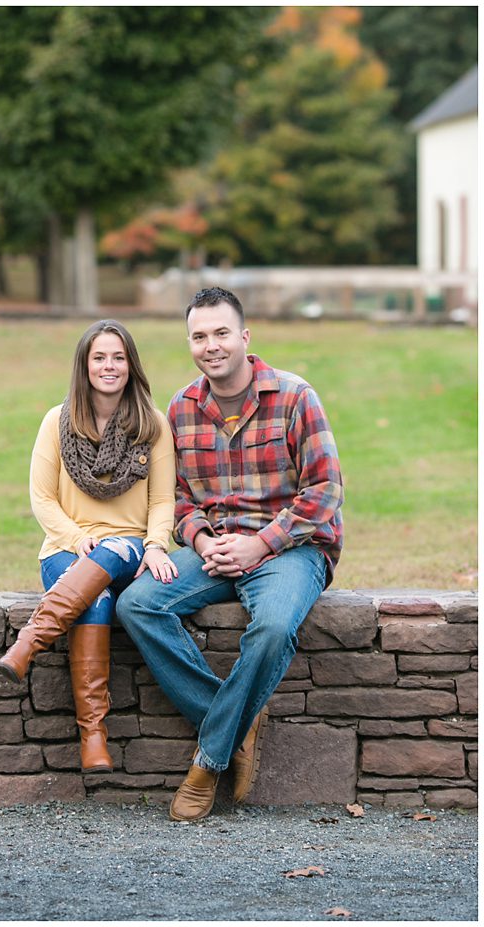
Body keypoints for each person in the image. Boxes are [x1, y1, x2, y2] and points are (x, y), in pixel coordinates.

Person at [116, 287, 343, 822]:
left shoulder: (294, 396)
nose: (211, 345)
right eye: (199, 336)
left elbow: (325, 490)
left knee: (273, 627)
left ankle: (209, 759)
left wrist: (260, 544)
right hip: (214, 547)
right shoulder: (180, 408)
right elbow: (174, 496)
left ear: (244, 336)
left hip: (290, 548)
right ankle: (238, 722)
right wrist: (200, 540)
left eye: (221, 333)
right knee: (136, 604)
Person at [0, 320, 178, 772]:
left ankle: (29, 641)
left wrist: (156, 545)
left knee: (114, 548)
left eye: (118, 357)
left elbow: (162, 500)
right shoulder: (55, 423)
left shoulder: (152, 425)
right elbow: (43, 499)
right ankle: (93, 735)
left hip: (130, 549)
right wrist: (78, 539)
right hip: (65, 549)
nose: (109, 366)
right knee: (95, 600)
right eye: (99, 357)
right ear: (85, 365)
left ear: (131, 365)